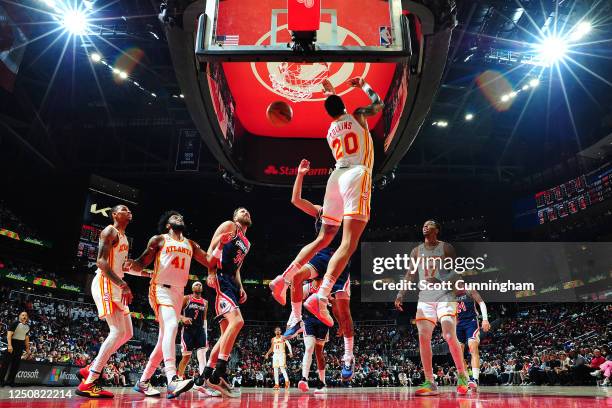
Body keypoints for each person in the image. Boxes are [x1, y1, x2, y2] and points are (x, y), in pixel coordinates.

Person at [269, 76, 383, 329]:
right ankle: (321, 297)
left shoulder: (330, 130)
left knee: (324, 238)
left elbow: (334, 109)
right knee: (349, 243)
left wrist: (330, 93)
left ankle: (283, 279)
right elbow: (378, 104)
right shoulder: (358, 115)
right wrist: (364, 84)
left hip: (336, 177)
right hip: (357, 173)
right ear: (344, 106)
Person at [129, 211, 230, 399]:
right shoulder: (159, 240)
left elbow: (209, 261)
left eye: (181, 217)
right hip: (160, 288)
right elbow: (141, 263)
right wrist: (127, 265)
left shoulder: (189, 244)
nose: (179, 218)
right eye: (174, 217)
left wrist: (220, 245)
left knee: (162, 341)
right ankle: (172, 379)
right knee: (173, 326)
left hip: (178, 292)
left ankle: (143, 382)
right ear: (167, 225)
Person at [279, 159, 356, 380]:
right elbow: (295, 200)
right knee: (297, 276)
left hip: (341, 257)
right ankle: (295, 319)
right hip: (321, 256)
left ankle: (348, 356)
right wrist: (300, 174)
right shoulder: (322, 210)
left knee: (343, 312)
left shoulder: (350, 208)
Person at [77, 205, 147, 398]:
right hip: (106, 283)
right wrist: (123, 284)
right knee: (117, 331)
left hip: (115, 284)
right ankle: (90, 381)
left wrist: (148, 273)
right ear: (115, 214)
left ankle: (90, 368)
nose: (129, 211)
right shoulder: (110, 231)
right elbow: (101, 261)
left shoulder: (124, 237)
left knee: (128, 333)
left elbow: (123, 266)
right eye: (124, 209)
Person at [395, 220, 469, 396]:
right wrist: (400, 294)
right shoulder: (416, 251)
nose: (425, 226)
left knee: (449, 335)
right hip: (425, 298)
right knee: (423, 338)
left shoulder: (446, 248)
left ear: (437, 230)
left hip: (445, 295)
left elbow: (457, 272)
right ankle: (430, 382)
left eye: (429, 225)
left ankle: (462, 375)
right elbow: (410, 274)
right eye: (423, 225)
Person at [203, 208, 252, 398]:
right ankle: (219, 372)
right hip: (220, 278)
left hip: (231, 281)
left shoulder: (247, 242)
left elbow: (238, 268)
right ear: (235, 216)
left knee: (226, 333)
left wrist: (241, 287)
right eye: (241, 210)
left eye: (247, 211)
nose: (245, 212)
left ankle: (206, 376)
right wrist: (210, 272)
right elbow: (211, 249)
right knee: (237, 322)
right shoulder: (230, 226)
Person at [176, 281, 220, 396]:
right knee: (186, 358)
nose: (199, 285)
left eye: (200, 284)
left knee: (202, 356)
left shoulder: (205, 302)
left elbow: (204, 319)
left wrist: (205, 334)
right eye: (196, 284)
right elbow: (176, 312)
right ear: (192, 287)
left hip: (200, 331)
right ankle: (179, 379)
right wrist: (183, 318)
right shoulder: (186, 298)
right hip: (188, 330)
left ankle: (202, 383)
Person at [297, 279, 329, 394]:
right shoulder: (307, 288)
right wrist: (295, 320)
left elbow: (335, 303)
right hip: (309, 320)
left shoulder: (327, 286)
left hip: (323, 320)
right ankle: (304, 379)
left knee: (319, 353)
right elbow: (296, 302)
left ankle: (322, 383)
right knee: (309, 348)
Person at [455, 288, 490, 390]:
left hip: (471, 321)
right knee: (458, 354)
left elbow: (481, 303)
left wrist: (485, 319)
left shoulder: (469, 290)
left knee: (472, 347)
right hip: (458, 324)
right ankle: (466, 380)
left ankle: (475, 378)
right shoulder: (449, 295)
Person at [0, 311, 30, 387]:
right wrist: (9, 345)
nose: (24, 316)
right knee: (5, 364)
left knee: (15, 365)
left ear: (27, 317)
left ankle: (10, 381)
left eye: (25, 315)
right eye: (22, 315)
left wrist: (27, 348)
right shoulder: (15, 323)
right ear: (19, 316)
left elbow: (26, 338)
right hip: (12, 344)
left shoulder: (27, 327)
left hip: (20, 346)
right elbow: (9, 335)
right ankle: (1, 381)